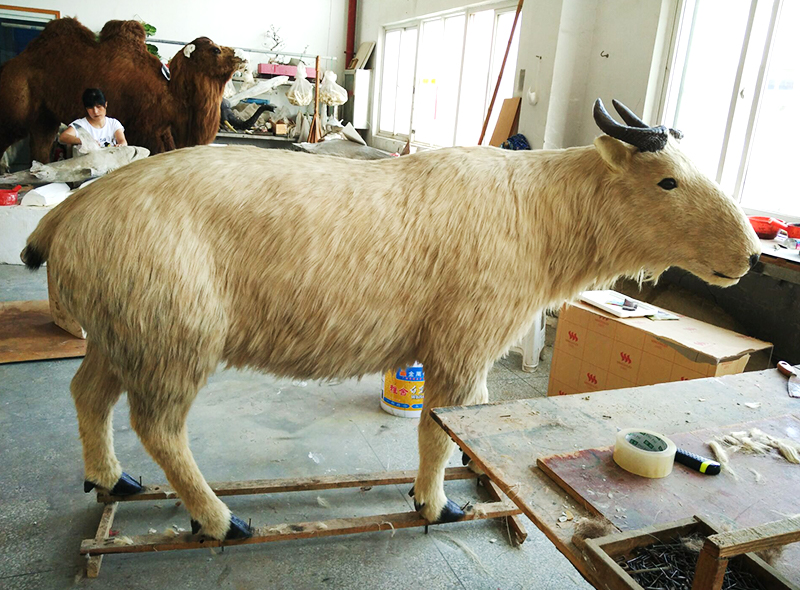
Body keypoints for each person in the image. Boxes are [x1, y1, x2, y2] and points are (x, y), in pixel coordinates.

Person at [59, 88, 127, 148]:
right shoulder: (80, 125)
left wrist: (120, 145)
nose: (95, 112)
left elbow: (122, 141)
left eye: (99, 107)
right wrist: (83, 141)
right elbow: (63, 137)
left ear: (106, 104)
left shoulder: (113, 123)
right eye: (90, 108)